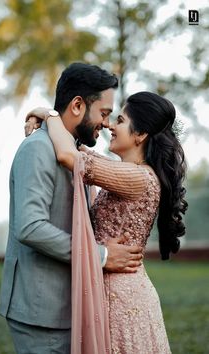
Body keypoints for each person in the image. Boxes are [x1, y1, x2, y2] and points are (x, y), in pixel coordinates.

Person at [25, 91, 188, 353]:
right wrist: (45, 114)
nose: (111, 125)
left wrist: (52, 114)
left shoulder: (139, 178)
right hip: (111, 289)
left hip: (122, 300)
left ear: (140, 134)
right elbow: (79, 151)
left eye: (120, 121)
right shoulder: (126, 172)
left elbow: (71, 158)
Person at [0, 62, 143, 354]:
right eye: (103, 113)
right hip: (42, 311)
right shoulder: (38, 148)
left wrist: (48, 115)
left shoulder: (74, 151)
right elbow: (30, 227)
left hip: (67, 305)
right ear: (77, 105)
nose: (106, 123)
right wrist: (101, 256)